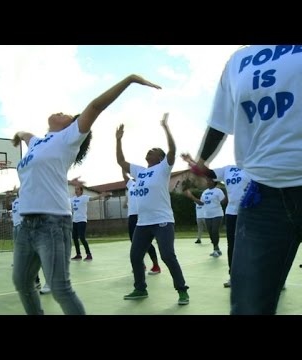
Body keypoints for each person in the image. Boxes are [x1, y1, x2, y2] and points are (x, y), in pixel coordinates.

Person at [12, 74, 161, 315]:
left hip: (52, 222)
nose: (60, 112)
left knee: (60, 288)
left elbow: (95, 106)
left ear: (71, 126)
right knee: (21, 282)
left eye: (66, 115)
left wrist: (130, 80)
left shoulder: (68, 138)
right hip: (25, 224)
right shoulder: (38, 142)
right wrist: (18, 134)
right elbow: (26, 134)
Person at [192, 45, 302, 315]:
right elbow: (219, 121)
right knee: (248, 307)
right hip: (264, 195)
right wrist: (200, 164)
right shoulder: (237, 61)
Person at [116, 115, 190, 305]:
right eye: (150, 150)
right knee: (135, 256)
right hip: (143, 222)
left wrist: (166, 127)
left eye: (155, 150)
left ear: (161, 158)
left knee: (167, 255)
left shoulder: (163, 168)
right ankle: (140, 288)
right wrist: (118, 140)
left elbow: (173, 150)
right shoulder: (140, 171)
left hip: (162, 220)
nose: (150, 151)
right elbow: (121, 162)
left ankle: (182, 290)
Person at [182, 154, 250, 287]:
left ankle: (269, 277)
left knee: (255, 245)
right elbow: (207, 172)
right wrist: (192, 162)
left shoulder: (254, 166)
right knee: (233, 245)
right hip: (232, 213)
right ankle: (234, 276)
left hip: (252, 213)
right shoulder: (228, 169)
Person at [121, 169, 161, 274]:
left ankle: (156, 266)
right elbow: (124, 175)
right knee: (134, 242)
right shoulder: (131, 185)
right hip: (132, 216)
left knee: (146, 243)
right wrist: (122, 165)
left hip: (143, 215)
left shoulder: (146, 183)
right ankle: (141, 265)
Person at [70, 185, 110, 261]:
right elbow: (64, 200)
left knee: (82, 237)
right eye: (75, 189)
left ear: (81, 191)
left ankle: (89, 254)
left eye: (77, 189)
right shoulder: (73, 199)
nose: (76, 190)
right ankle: (78, 255)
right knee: (74, 238)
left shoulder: (84, 198)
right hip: (74, 221)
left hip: (82, 220)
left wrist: (101, 195)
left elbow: (93, 198)